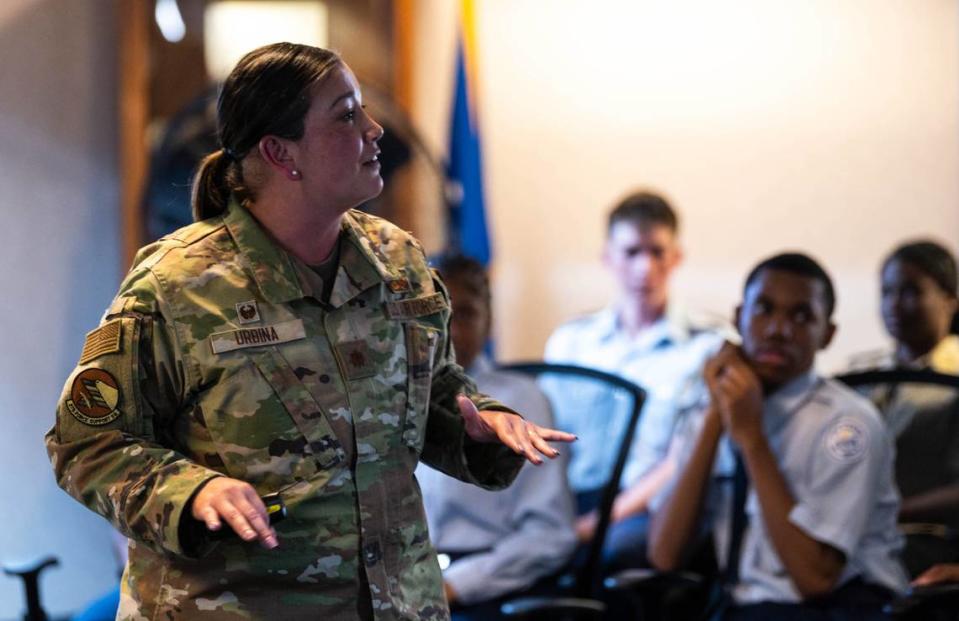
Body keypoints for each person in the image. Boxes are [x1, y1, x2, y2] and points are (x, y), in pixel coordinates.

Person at [45, 43, 573, 621]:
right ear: (279, 151)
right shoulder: (176, 286)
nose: (374, 130)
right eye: (346, 114)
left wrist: (483, 422)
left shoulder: (398, 261)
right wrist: (190, 493)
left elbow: (432, 387)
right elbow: (87, 444)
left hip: (401, 604)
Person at [648, 252, 907, 620]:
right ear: (739, 318)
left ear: (827, 335)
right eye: (764, 310)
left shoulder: (847, 424)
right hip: (742, 605)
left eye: (801, 316)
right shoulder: (714, 405)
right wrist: (714, 417)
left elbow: (815, 579)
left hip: (840, 606)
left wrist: (752, 438)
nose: (777, 330)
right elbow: (664, 555)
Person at [543, 190, 725, 570]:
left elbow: (685, 458)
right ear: (608, 257)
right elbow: (548, 440)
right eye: (631, 252)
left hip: (651, 506)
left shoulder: (707, 348)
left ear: (676, 257)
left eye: (657, 252)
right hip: (571, 499)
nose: (644, 268)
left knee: (614, 556)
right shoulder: (571, 342)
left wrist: (601, 521)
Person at [416, 255, 577, 621]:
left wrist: (458, 584)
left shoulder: (520, 402)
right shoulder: (396, 395)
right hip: (411, 579)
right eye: (442, 314)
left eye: (468, 314)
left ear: (490, 323)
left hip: (488, 587)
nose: (453, 330)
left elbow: (550, 535)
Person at [848, 240, 959, 576]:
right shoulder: (862, 374)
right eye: (887, 292)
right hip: (858, 538)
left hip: (933, 545)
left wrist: (892, 511)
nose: (894, 305)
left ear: (950, 299)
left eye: (911, 291)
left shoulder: (952, 376)